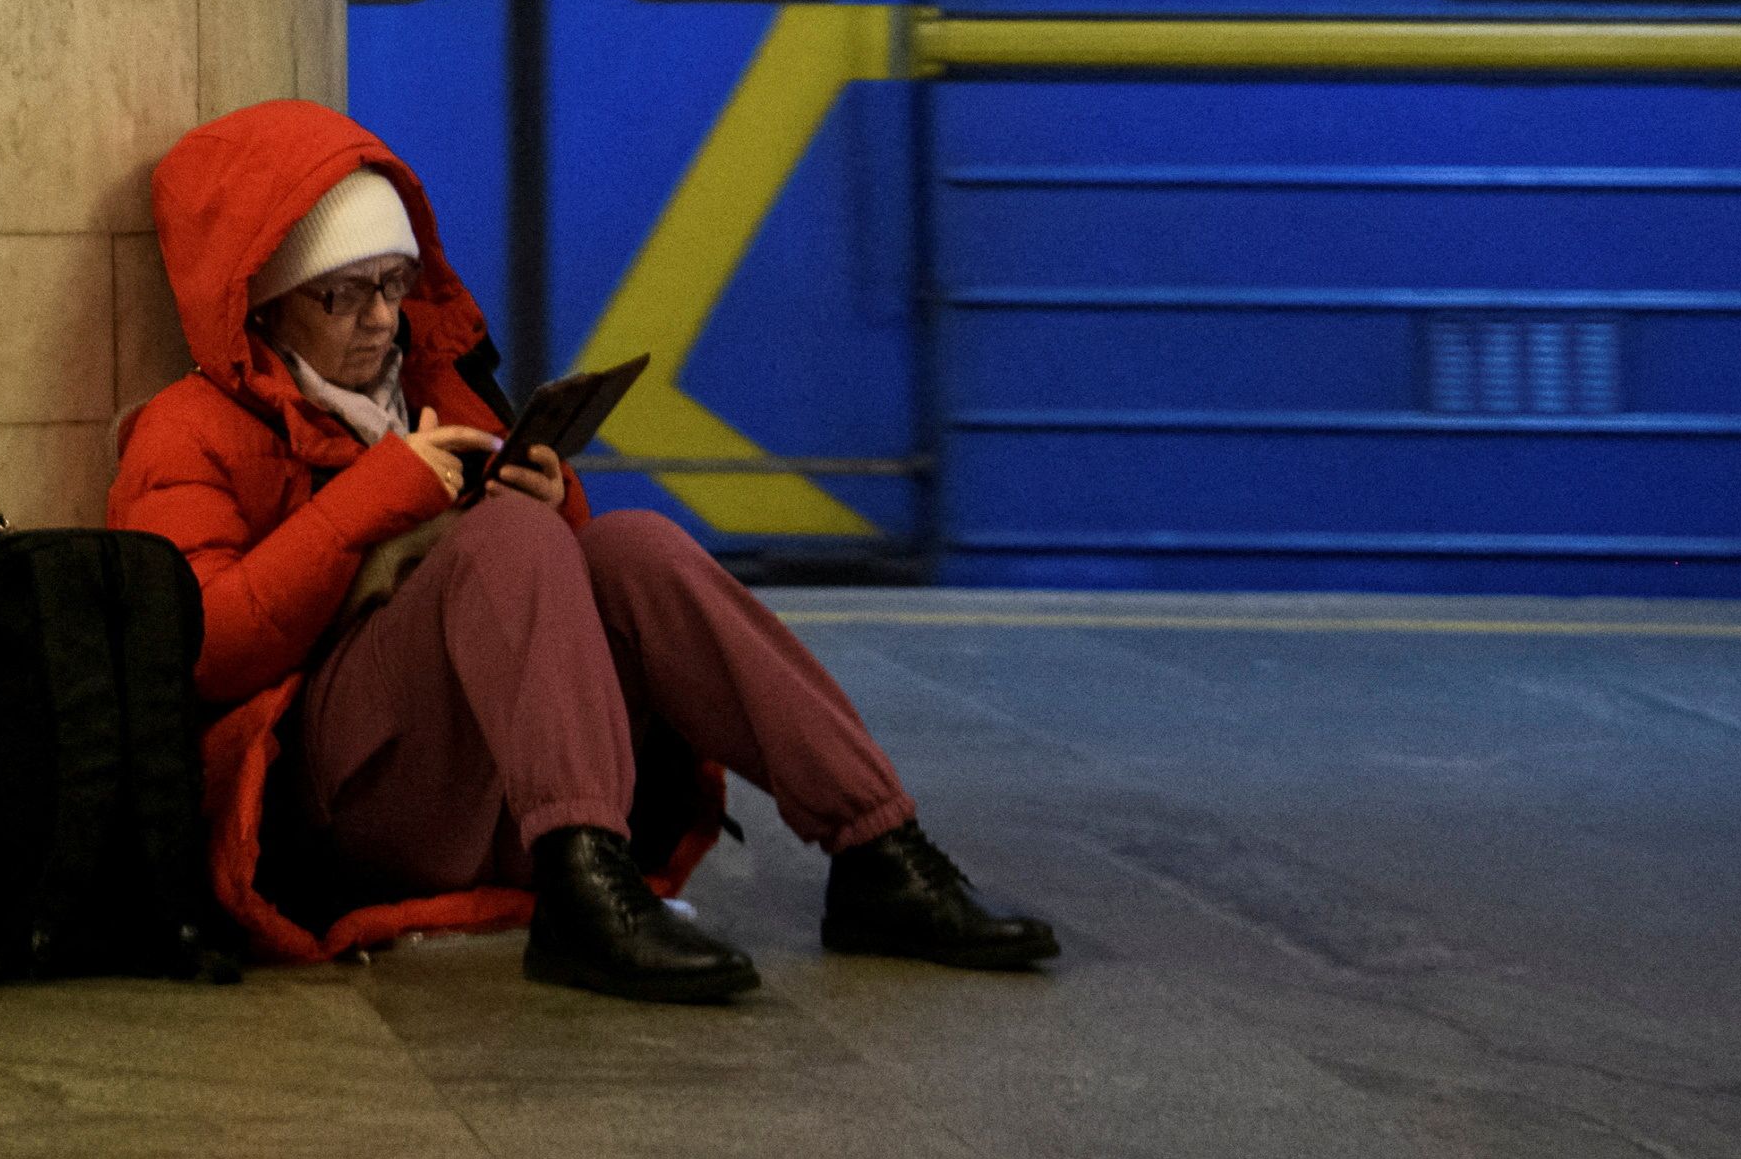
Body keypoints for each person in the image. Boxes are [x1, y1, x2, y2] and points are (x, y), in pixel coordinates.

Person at [111, 101, 1055, 1004]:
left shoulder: (437, 385)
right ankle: (584, 882)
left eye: (395, 283)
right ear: (268, 303)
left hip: (495, 773)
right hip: (337, 802)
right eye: (342, 293)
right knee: (507, 536)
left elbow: (556, 585)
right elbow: (201, 645)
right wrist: (374, 498)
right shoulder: (188, 430)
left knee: (634, 546)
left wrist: (555, 500)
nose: (382, 318)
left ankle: (877, 846)